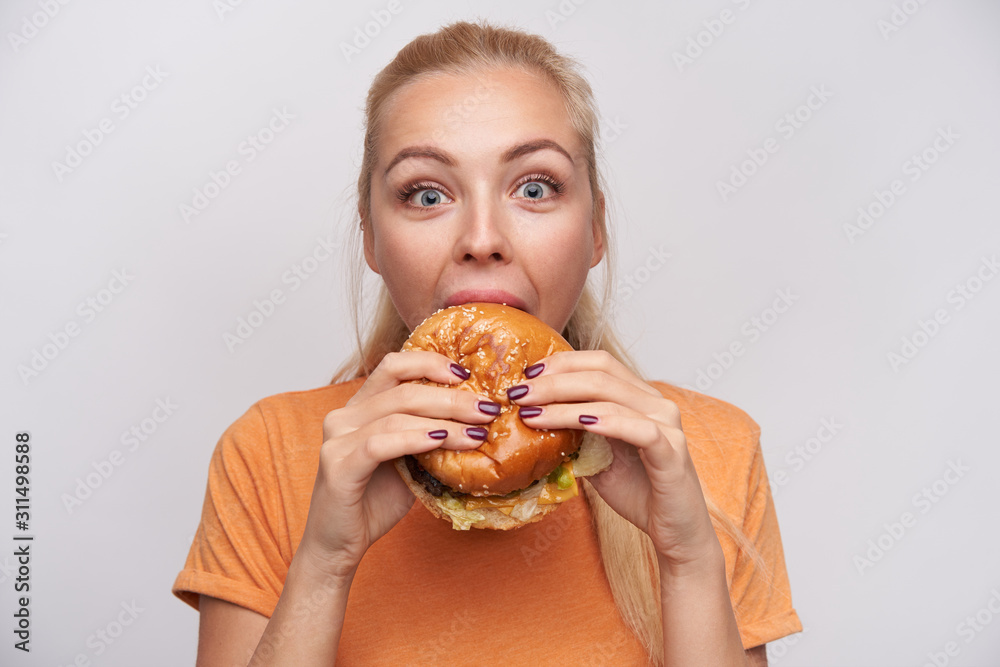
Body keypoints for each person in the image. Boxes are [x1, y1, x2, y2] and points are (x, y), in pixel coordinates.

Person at [172, 19, 802, 665]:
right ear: (371, 238)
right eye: (426, 193)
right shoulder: (274, 450)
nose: (482, 237)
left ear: (595, 231)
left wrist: (689, 560)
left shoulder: (709, 449)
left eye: (534, 187)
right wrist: (326, 562)